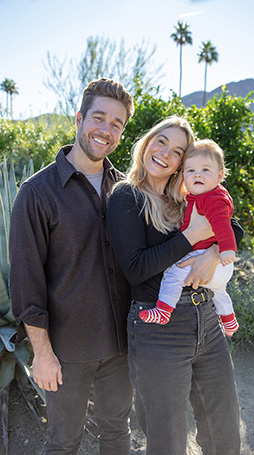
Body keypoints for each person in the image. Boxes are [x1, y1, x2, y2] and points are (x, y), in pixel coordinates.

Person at [9, 77, 135, 454]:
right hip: (66, 350)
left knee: (118, 432)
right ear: (79, 119)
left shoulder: (127, 188)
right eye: (99, 118)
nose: (106, 130)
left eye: (117, 124)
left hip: (122, 345)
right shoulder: (37, 192)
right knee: (64, 442)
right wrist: (43, 354)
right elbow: (26, 281)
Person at [107, 116, 241, 454]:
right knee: (167, 439)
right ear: (147, 142)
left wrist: (212, 252)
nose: (166, 153)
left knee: (223, 429)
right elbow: (135, 269)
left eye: (178, 150)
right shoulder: (126, 196)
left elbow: (232, 225)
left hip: (206, 321)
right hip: (158, 330)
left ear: (184, 161)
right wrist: (192, 236)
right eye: (161, 141)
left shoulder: (186, 193)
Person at [141, 138, 240, 337]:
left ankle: (163, 311)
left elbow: (222, 223)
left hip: (211, 258)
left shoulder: (212, 198)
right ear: (183, 174)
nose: (198, 175)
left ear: (220, 175)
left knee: (173, 274)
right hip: (218, 269)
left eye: (205, 170)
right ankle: (229, 322)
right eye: (191, 170)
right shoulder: (202, 196)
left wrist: (226, 248)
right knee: (219, 293)